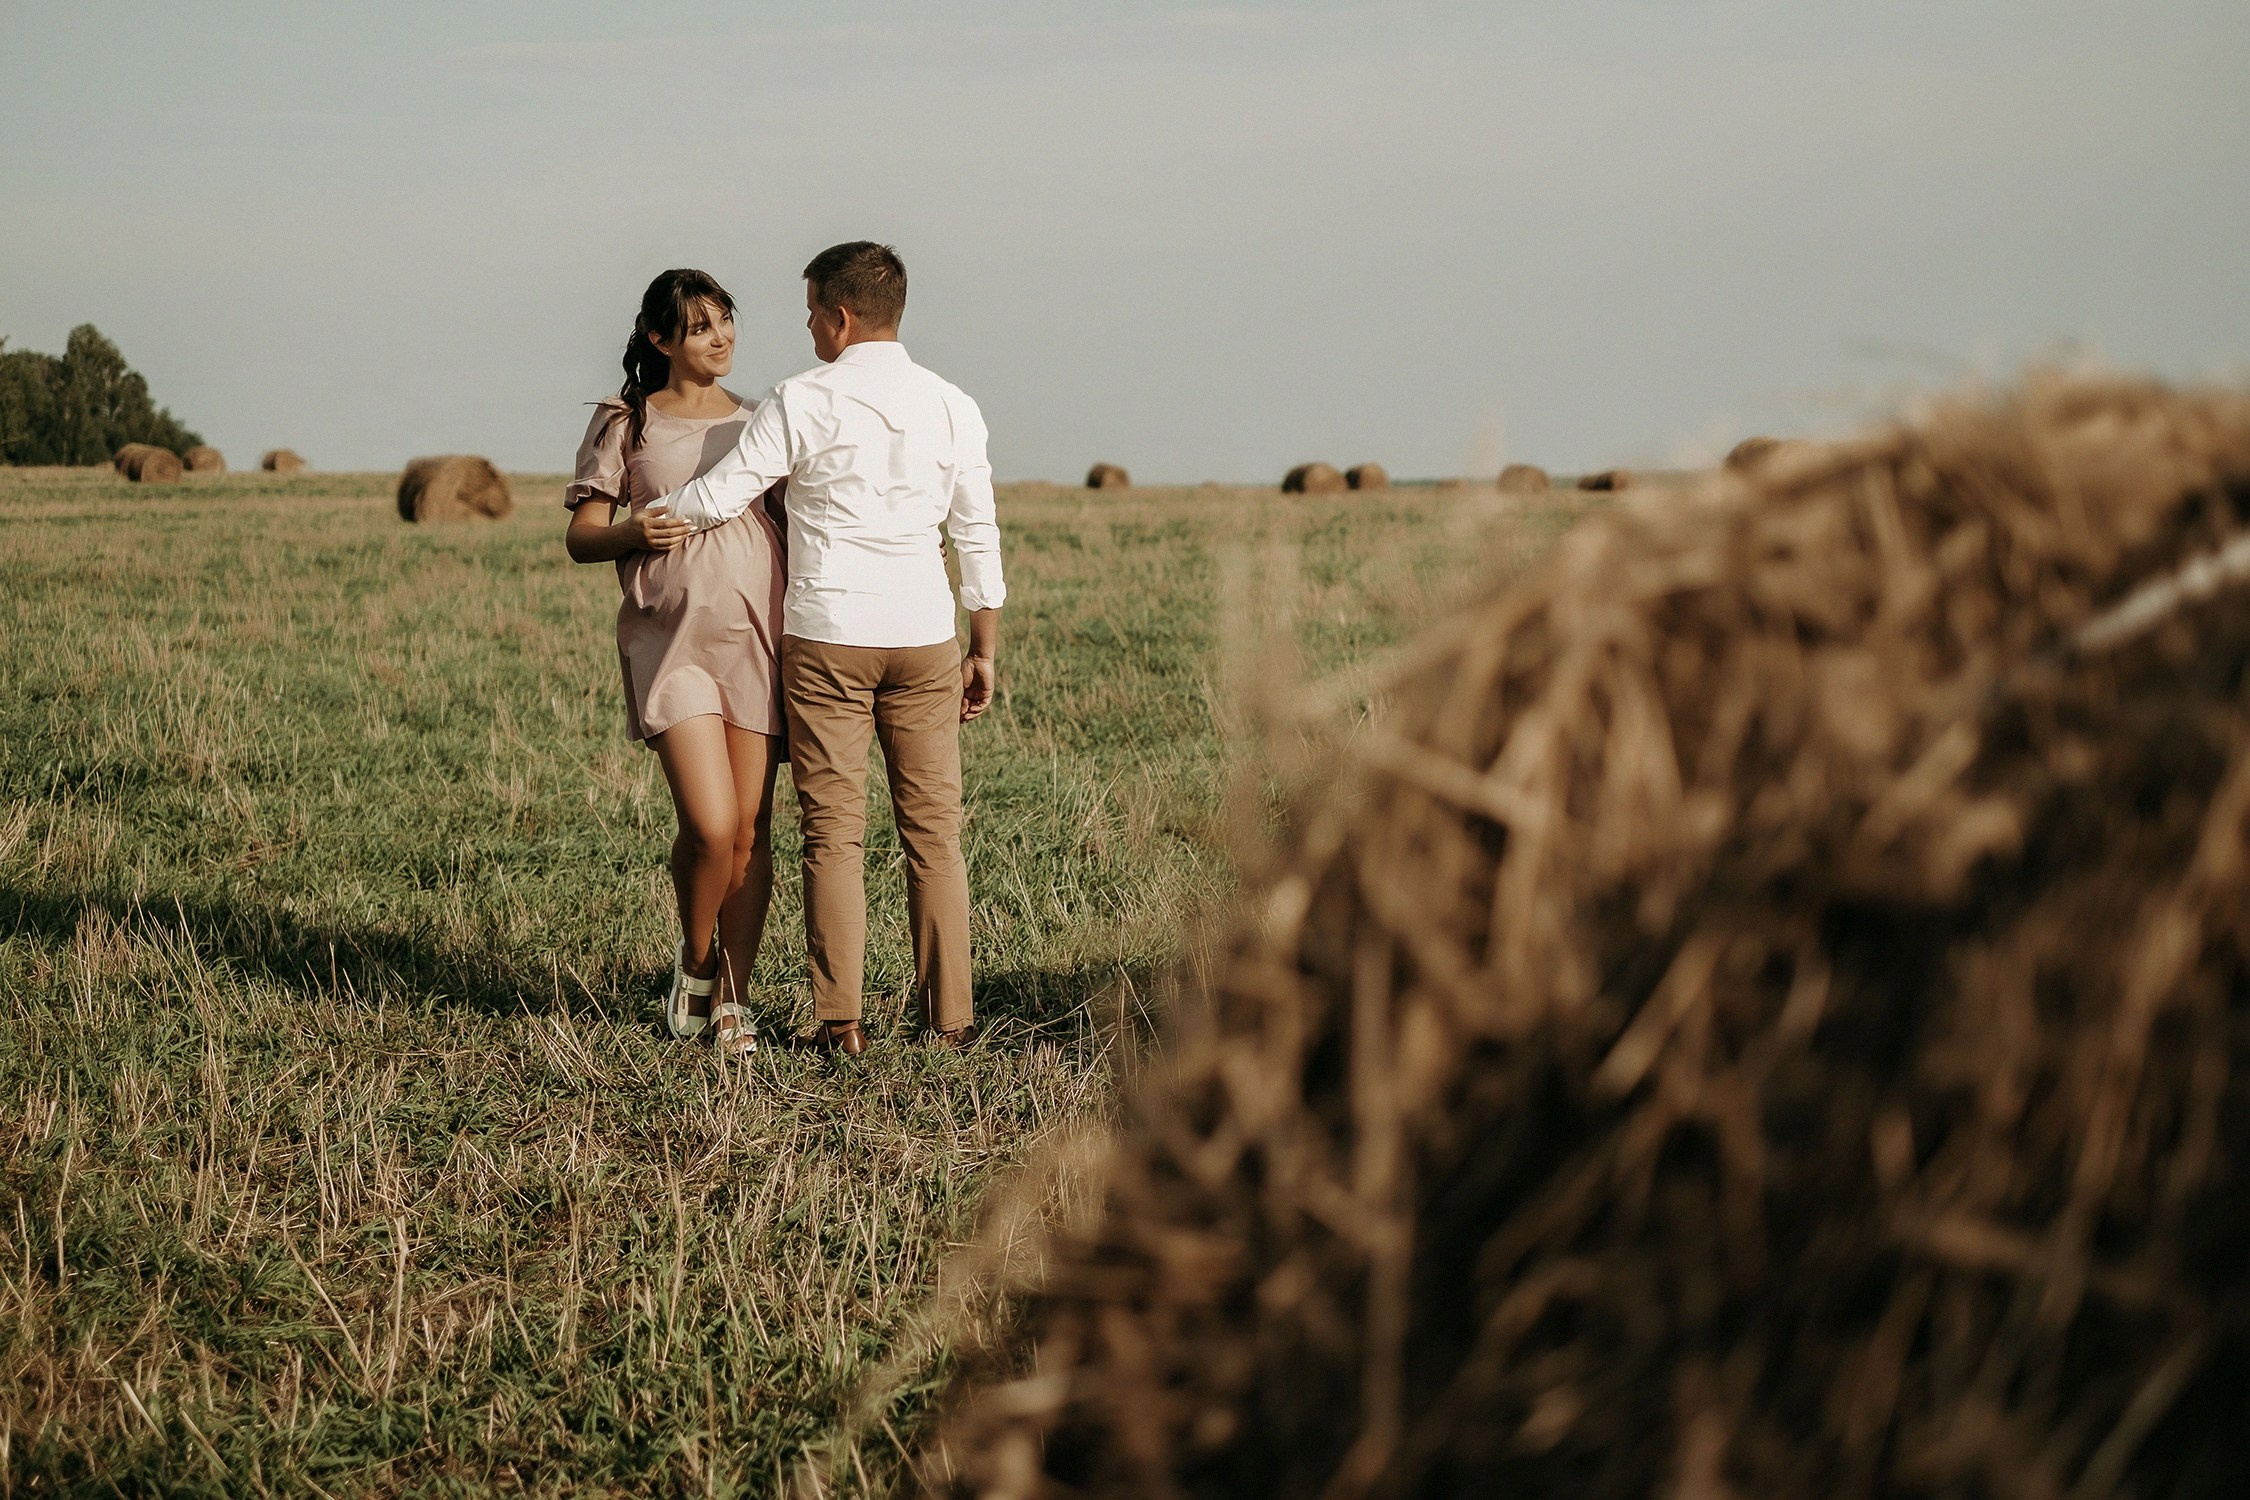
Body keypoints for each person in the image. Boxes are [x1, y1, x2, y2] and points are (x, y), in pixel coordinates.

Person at [650, 241, 1005, 1056]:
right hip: (924, 639)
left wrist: (646, 519)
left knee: (832, 833)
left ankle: (838, 1021)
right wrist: (982, 647)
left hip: (829, 639)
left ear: (840, 317)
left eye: (811, 310)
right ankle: (949, 1018)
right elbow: (976, 534)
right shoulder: (954, 404)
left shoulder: (800, 399)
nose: (808, 323)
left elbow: (724, 493)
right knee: (933, 833)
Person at [564, 268, 786, 1056]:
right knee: (711, 823)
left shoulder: (766, 422)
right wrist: (633, 535)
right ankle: (696, 961)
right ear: (660, 340)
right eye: (699, 327)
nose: (720, 337)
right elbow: (582, 534)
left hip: (759, 641)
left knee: (751, 832)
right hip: (671, 644)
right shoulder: (627, 422)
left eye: (725, 321)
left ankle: (734, 997)